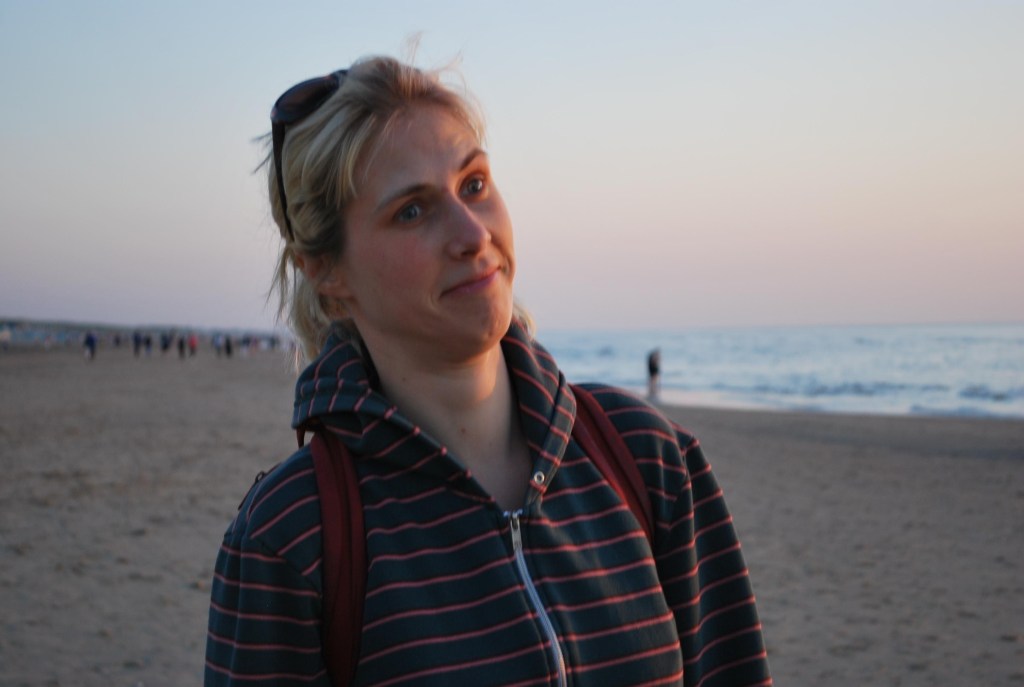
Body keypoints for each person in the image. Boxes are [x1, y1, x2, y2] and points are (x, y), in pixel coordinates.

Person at [205, 56, 770, 687]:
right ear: (326, 272)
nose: (474, 235)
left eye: (473, 184)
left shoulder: (648, 458)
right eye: (412, 211)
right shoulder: (290, 539)